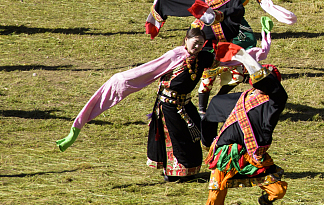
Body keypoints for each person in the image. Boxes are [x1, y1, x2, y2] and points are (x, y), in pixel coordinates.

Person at [55, 25, 268, 182]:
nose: (196, 47)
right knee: (177, 141)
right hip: (168, 105)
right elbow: (142, 72)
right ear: (185, 40)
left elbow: (231, 59)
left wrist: (260, 50)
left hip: (186, 104)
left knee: (194, 141)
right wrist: (81, 122)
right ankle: (172, 174)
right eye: (193, 43)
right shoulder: (174, 56)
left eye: (200, 44)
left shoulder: (203, 57)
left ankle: (188, 172)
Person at [193, 63, 289, 205]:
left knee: (277, 190)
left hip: (251, 156)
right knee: (214, 197)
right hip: (226, 154)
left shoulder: (274, 104)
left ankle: (266, 201)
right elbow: (214, 107)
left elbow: (280, 94)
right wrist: (209, 140)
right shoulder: (243, 97)